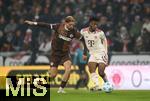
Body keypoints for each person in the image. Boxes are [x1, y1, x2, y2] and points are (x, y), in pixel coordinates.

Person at [24, 16, 81, 93]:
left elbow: (82, 38)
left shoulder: (74, 31)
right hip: (55, 54)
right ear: (65, 22)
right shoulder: (58, 26)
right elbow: (45, 25)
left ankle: (61, 89)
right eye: (70, 24)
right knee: (53, 76)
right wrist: (34, 23)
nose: (72, 26)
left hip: (65, 54)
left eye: (73, 25)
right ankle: (41, 83)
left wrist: (86, 50)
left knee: (68, 69)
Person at [80, 17, 110, 91]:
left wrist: (105, 54)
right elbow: (82, 42)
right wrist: (84, 53)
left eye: (97, 24)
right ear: (90, 23)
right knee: (91, 68)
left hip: (101, 53)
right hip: (92, 53)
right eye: (94, 24)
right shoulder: (83, 31)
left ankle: (107, 83)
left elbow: (105, 42)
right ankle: (97, 85)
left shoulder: (100, 32)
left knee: (101, 72)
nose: (96, 26)